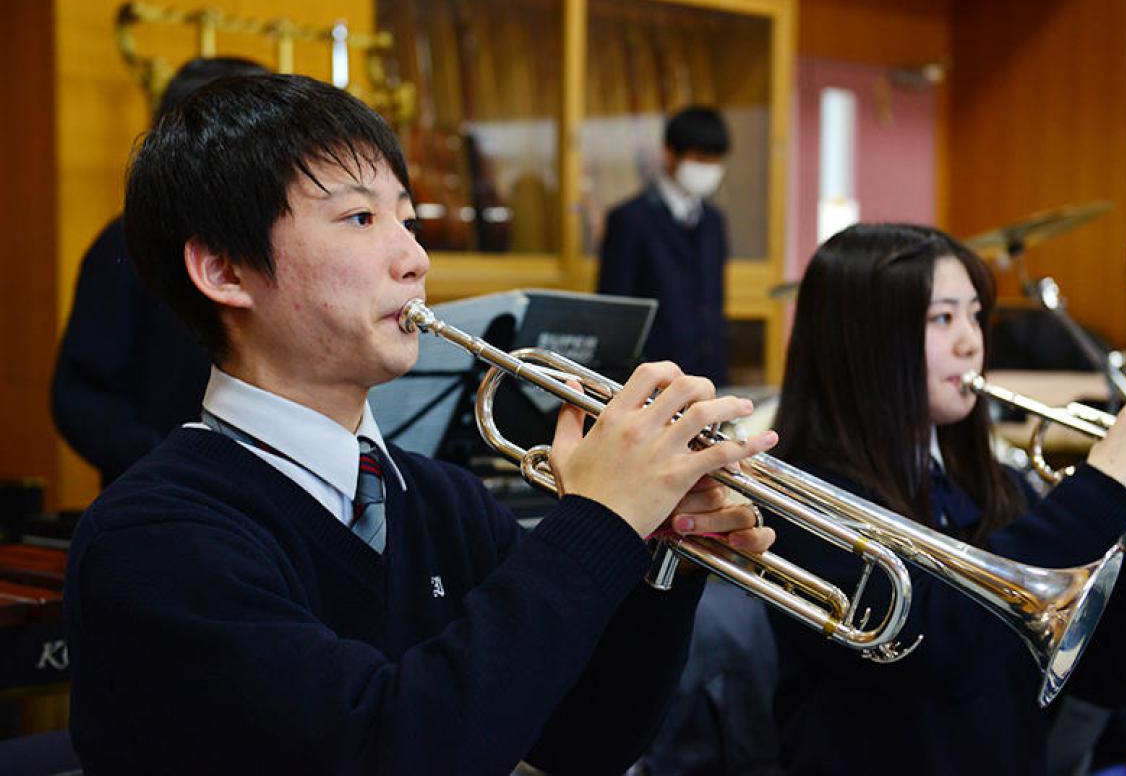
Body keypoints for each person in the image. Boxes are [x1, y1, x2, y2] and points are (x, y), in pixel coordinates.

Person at [63, 73, 779, 775]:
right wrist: (595, 520)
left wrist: (656, 546)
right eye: (360, 218)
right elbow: (389, 747)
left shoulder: (445, 500)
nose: (415, 259)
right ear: (225, 271)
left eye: (407, 219)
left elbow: (582, 742)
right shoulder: (151, 539)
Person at [766, 223, 1126, 776]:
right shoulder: (801, 505)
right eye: (942, 318)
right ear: (864, 338)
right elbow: (941, 648)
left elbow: (1113, 677)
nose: (972, 341)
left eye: (974, 315)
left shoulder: (994, 485)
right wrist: (1105, 486)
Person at [51, 56, 269, 487]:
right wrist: (166, 459)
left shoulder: (269, 239)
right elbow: (80, 397)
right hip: (164, 497)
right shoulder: (124, 244)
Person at [598, 106, 731, 386]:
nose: (708, 169)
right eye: (700, 158)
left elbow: (714, 301)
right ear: (671, 153)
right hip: (652, 381)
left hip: (709, 377)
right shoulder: (630, 219)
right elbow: (616, 314)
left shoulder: (714, 222)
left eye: (715, 161)